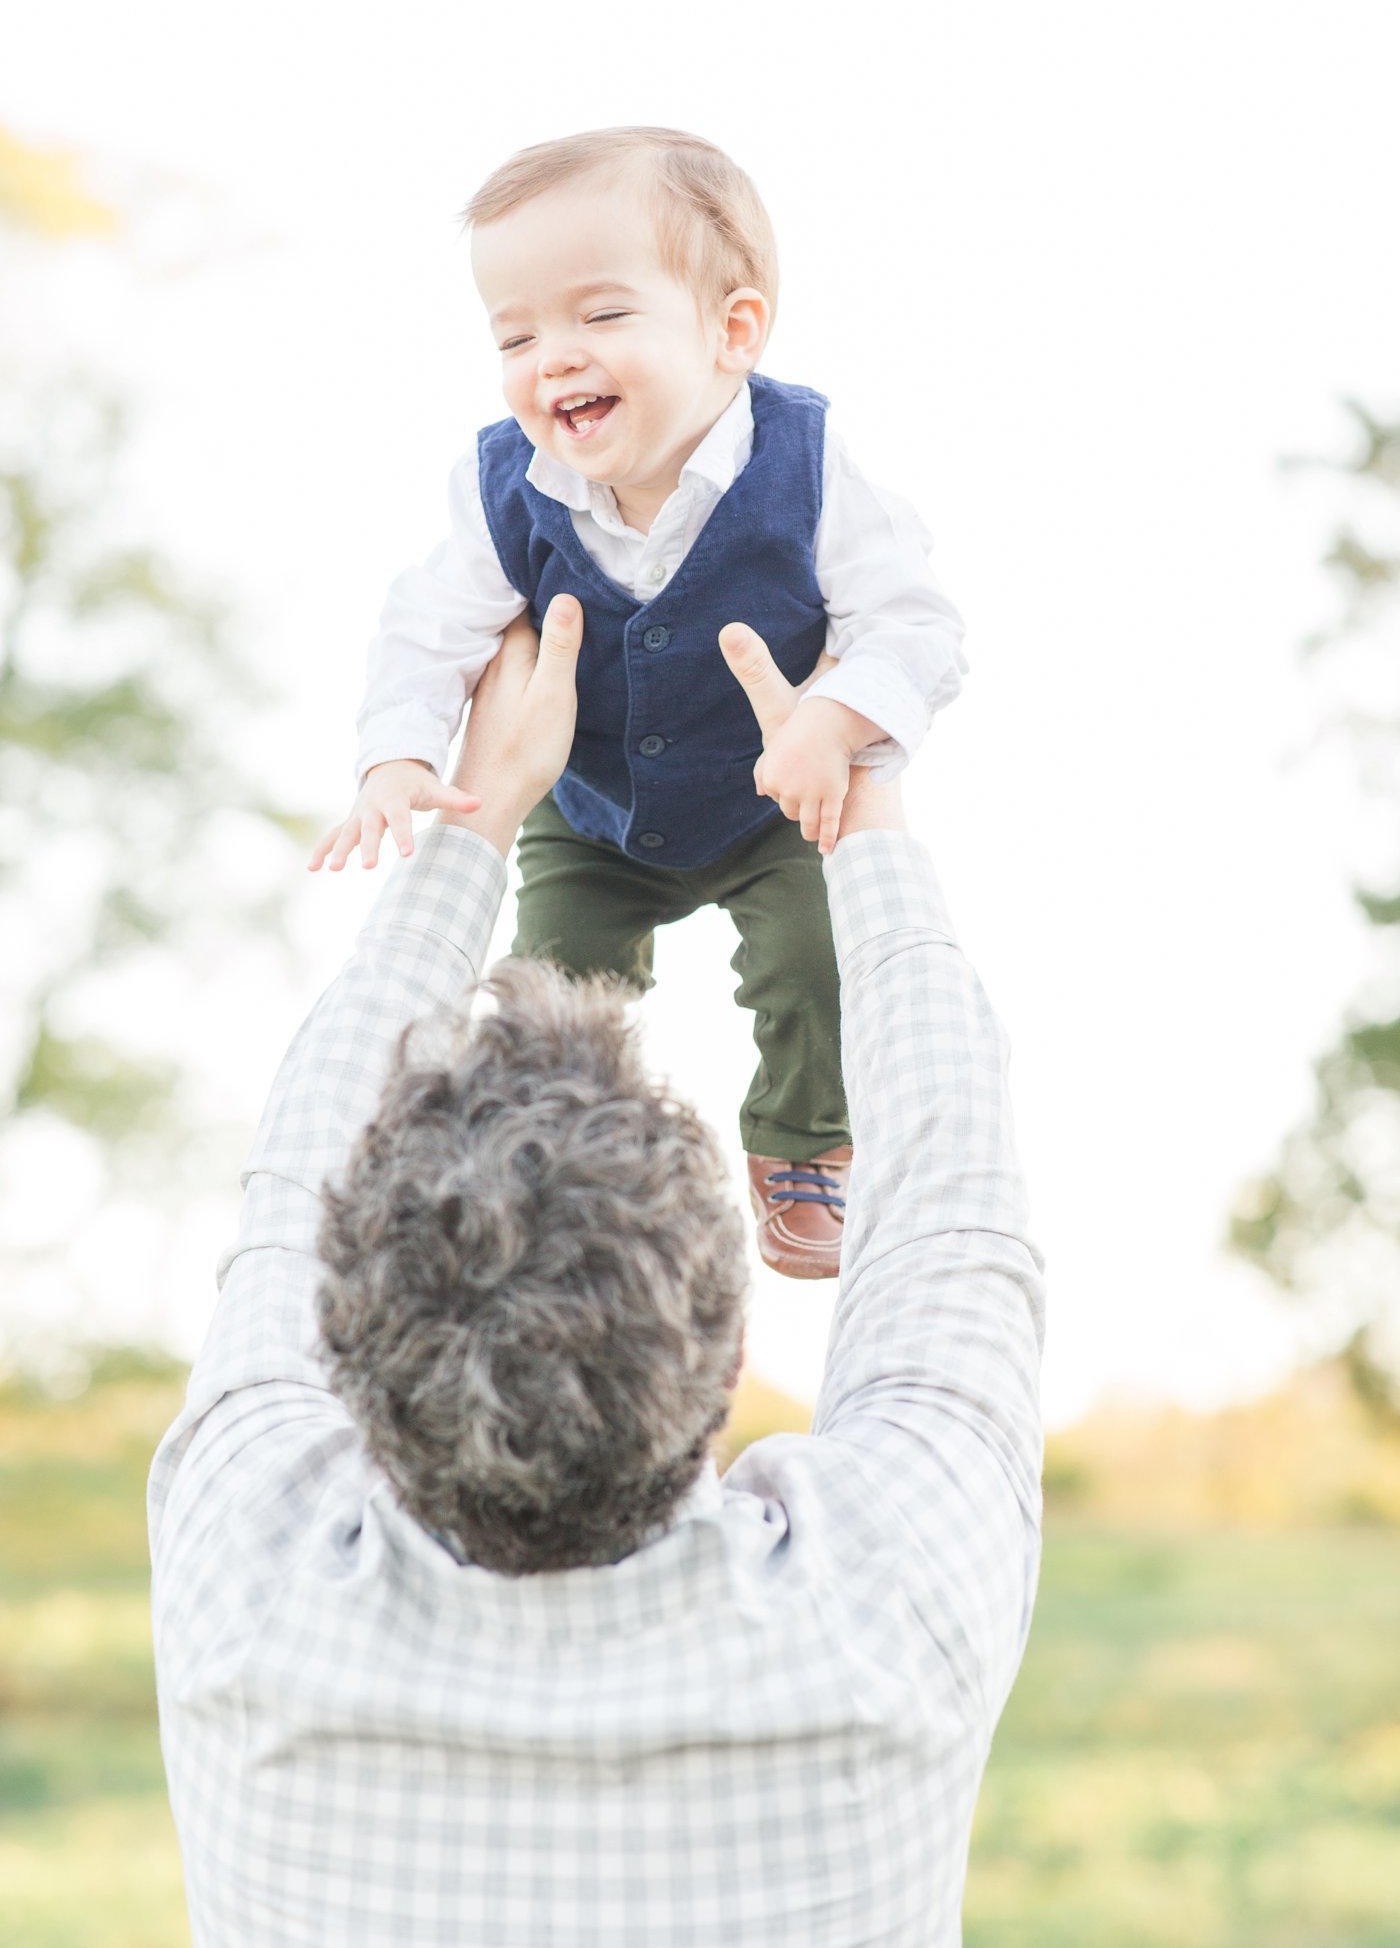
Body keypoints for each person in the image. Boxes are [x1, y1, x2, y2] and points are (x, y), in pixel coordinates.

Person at [149, 601, 1045, 1948]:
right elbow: (951, 1223)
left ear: (351, 1352)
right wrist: (855, 789)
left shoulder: (243, 1593)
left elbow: (290, 1195)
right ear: (729, 1362)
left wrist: (476, 811)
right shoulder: (888, 1621)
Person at [308, 125, 968, 1279]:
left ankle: (804, 1144)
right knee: (547, 991)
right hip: (592, 810)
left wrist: (835, 717)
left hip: (771, 805)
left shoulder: (804, 464)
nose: (551, 356)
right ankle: (556, 1169)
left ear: (731, 331)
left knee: (817, 962)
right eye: (515, 333)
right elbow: (429, 627)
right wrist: (395, 757)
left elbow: (914, 621)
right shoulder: (503, 486)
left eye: (600, 316)